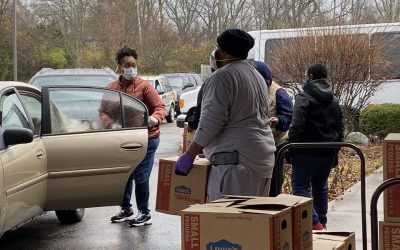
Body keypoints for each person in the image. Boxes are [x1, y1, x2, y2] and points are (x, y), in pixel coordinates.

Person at [174, 28, 276, 201]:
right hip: (261, 158)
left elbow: (211, 123)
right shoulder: (255, 75)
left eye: (218, 48)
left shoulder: (222, 77)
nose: (215, 52)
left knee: (228, 222)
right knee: (252, 222)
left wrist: (189, 155)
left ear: (225, 53)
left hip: (237, 164)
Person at [108, 46, 165, 227]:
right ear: (119, 66)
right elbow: (103, 111)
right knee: (125, 175)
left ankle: (144, 212)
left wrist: (154, 118)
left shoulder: (144, 86)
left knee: (140, 176)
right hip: (123, 138)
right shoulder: (112, 88)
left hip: (147, 137)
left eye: (133, 64)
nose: (131, 68)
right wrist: (111, 124)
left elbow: (160, 107)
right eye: (127, 65)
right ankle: (126, 208)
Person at [288, 63, 343, 230]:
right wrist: (336, 149)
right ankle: (322, 221)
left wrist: (291, 145)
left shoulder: (303, 97)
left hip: (306, 150)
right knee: (321, 186)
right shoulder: (334, 99)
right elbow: (340, 127)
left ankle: (313, 222)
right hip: (327, 151)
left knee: (300, 186)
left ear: (310, 77)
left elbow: (297, 125)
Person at [253, 61, 293, 197]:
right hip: (255, 145)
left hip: (276, 144)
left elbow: (288, 116)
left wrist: (279, 121)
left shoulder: (279, 92)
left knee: (274, 182)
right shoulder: (250, 90)